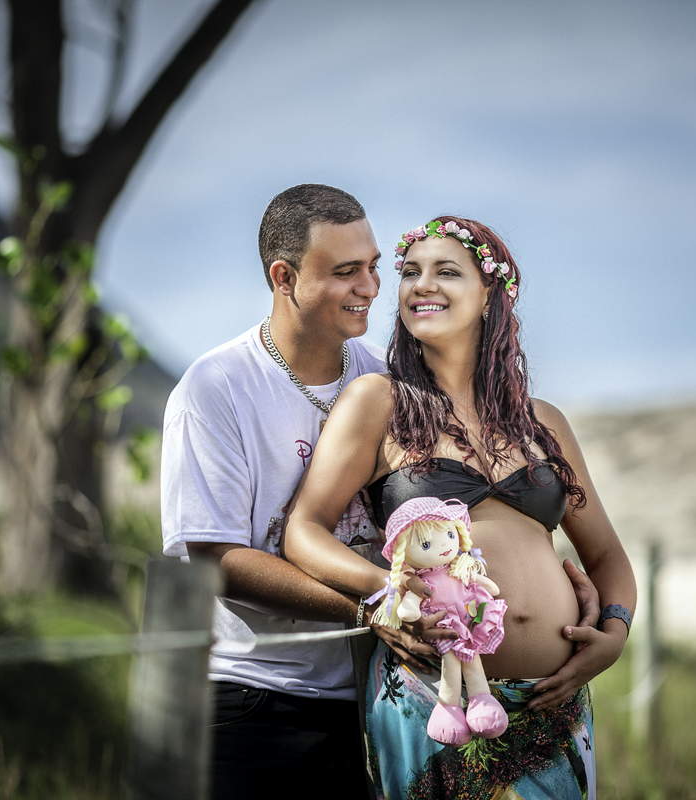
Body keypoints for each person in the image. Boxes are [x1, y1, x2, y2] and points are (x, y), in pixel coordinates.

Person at [284, 216, 637, 799]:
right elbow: (304, 530)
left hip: (554, 703)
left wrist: (616, 633)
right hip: (432, 697)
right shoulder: (379, 403)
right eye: (410, 273)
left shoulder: (544, 423)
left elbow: (606, 556)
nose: (422, 284)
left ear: (492, 294)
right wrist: (385, 593)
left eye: (447, 271)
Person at [160, 184, 390, 798]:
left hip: (375, 702)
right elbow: (217, 558)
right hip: (254, 702)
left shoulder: (386, 382)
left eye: (373, 267)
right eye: (346, 272)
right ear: (283, 277)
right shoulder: (216, 388)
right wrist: (373, 610)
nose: (370, 287)